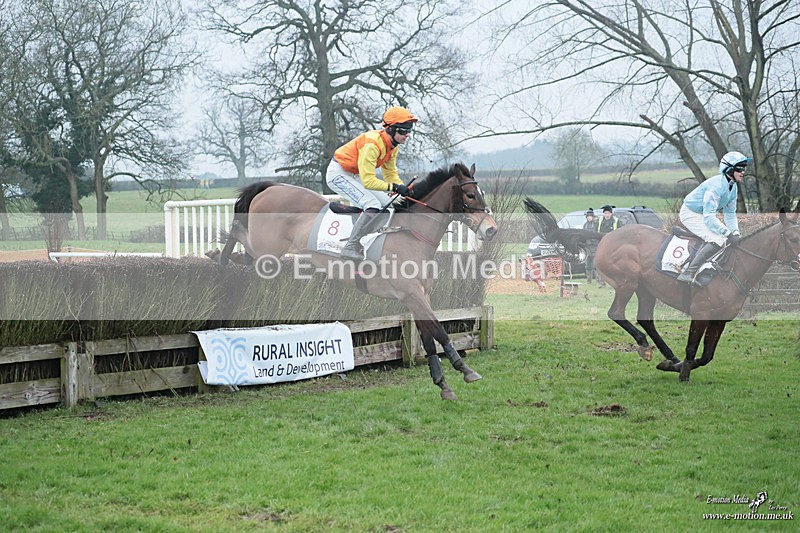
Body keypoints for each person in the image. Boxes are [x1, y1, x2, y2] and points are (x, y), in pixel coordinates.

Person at [325, 106, 417, 260]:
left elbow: (390, 173)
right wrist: (394, 187)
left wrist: (403, 189)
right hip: (338, 173)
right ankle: (350, 247)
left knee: (389, 204)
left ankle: (367, 240)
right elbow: (368, 181)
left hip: (355, 174)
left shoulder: (393, 147)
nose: (407, 134)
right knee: (373, 205)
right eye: (402, 131)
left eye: (409, 130)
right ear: (391, 129)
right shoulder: (372, 144)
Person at [676, 151, 751, 285]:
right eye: (740, 168)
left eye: (744, 168)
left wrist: (735, 233)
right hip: (690, 213)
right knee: (717, 239)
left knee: (724, 239)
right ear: (729, 169)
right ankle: (689, 272)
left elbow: (730, 215)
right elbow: (709, 217)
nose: (743, 172)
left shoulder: (732, 188)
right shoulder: (716, 187)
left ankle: (706, 270)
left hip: (703, 214)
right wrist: (728, 233)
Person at [595, 205, 621, 286]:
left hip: (613, 245)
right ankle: (601, 282)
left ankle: (614, 281)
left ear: (611, 213)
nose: (607, 215)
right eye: (605, 213)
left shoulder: (616, 221)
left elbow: (620, 233)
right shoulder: (599, 221)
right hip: (601, 243)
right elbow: (596, 232)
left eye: (608, 213)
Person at [582, 208, 598, 283]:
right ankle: (589, 280)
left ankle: (599, 280)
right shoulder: (585, 225)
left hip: (595, 247)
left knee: (596, 265)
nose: (589, 218)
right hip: (587, 247)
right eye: (588, 216)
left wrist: (592, 241)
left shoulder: (595, 224)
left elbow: (596, 235)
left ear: (593, 217)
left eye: (590, 216)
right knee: (588, 265)